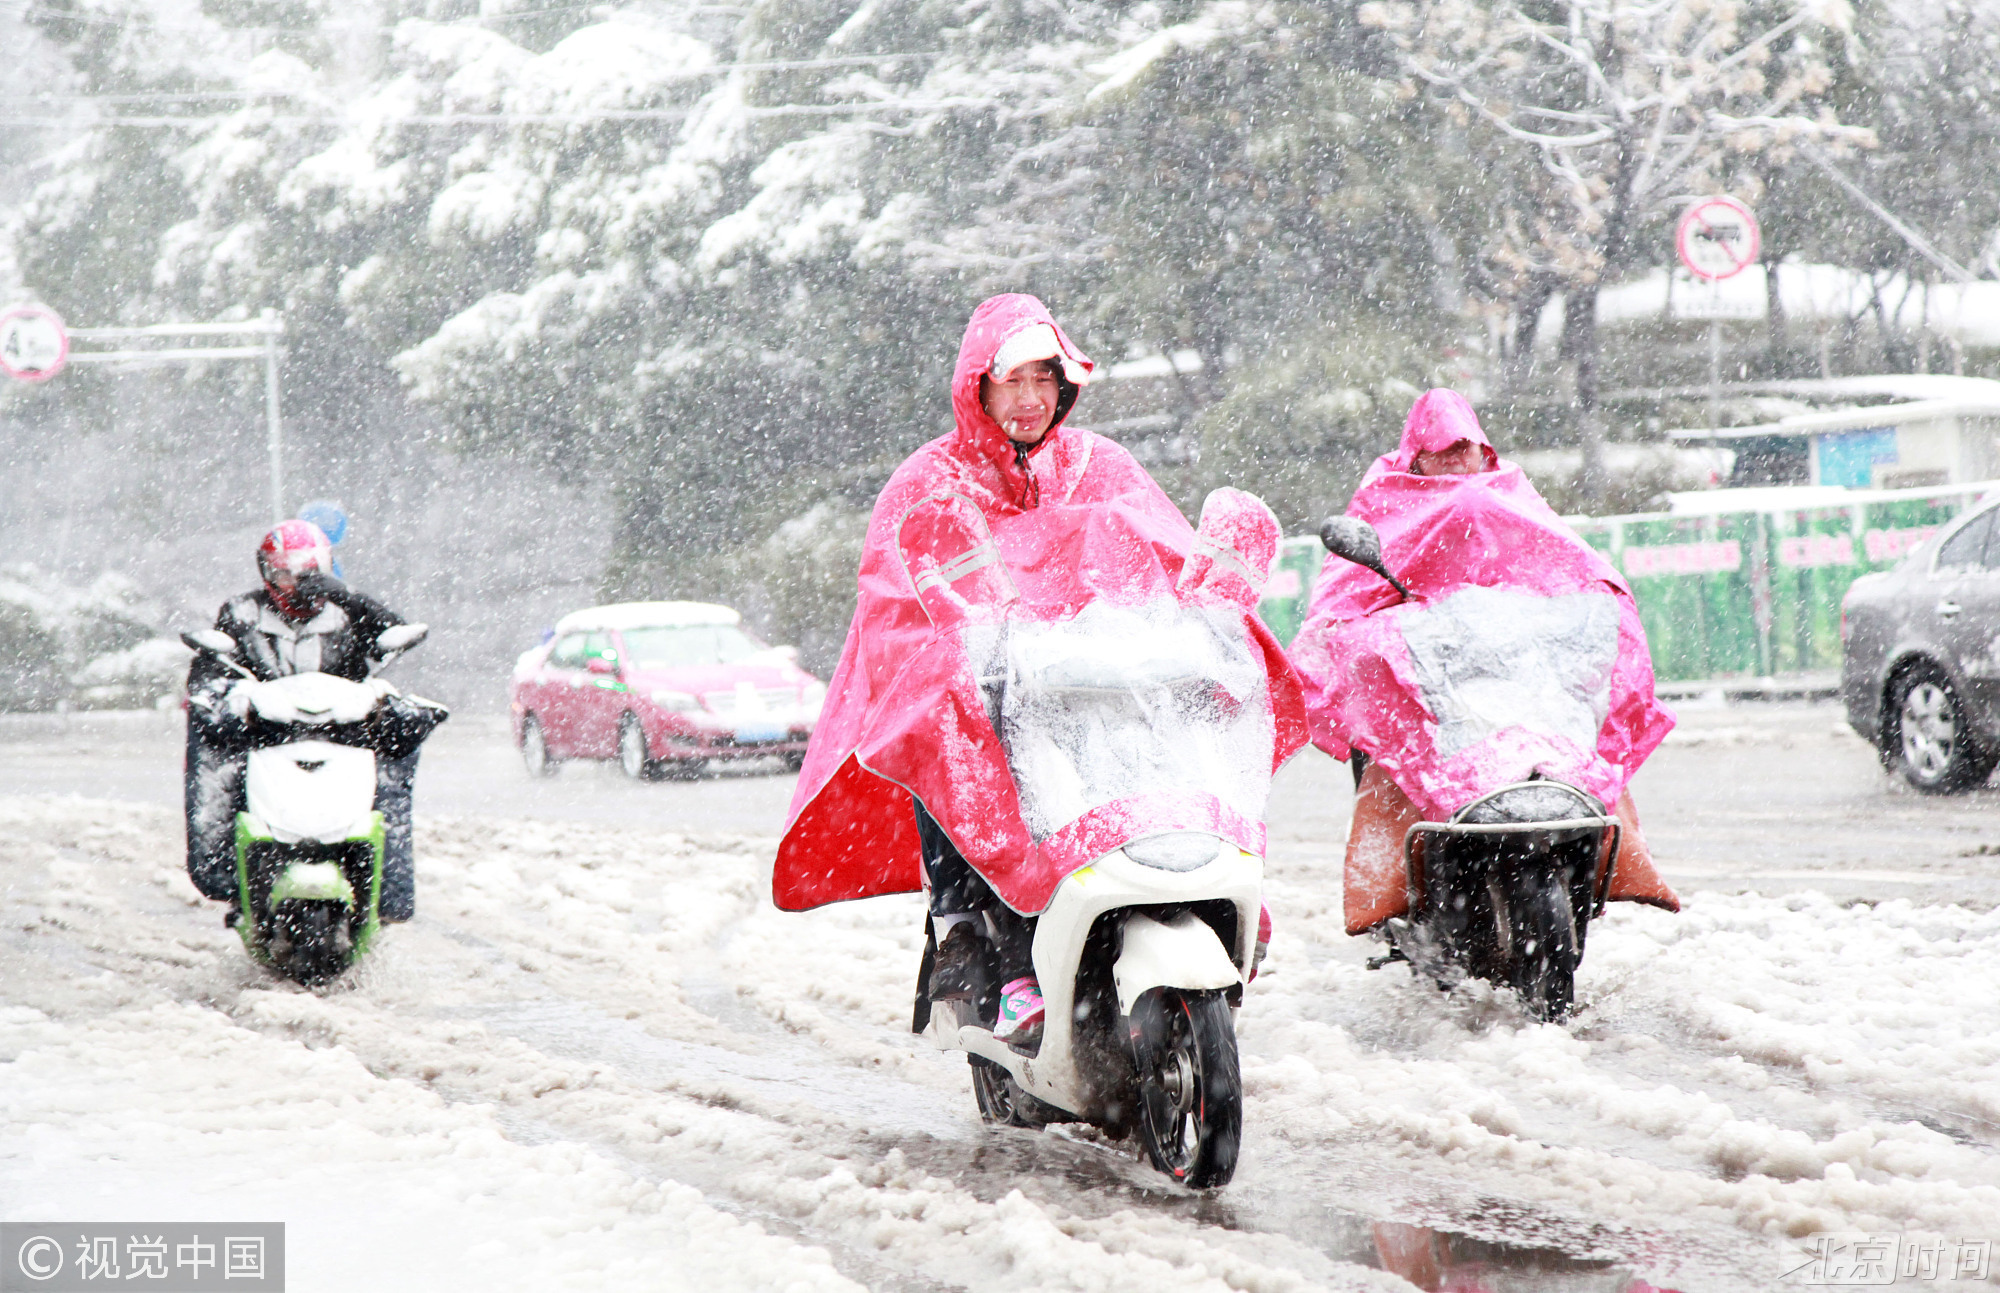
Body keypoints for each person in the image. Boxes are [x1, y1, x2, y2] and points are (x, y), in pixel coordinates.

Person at [772, 294, 1298, 1050]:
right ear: (977, 390)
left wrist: (1205, 624)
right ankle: (975, 936)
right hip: (1004, 705)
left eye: (1043, 379)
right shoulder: (926, 483)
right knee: (954, 742)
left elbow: (1168, 558)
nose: (1028, 400)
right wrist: (960, 653)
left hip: (1099, 697)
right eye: (1010, 382)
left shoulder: (1102, 465)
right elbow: (893, 612)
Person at [184, 520, 427, 921]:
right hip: (268, 738)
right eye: (286, 571)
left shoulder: (347, 612)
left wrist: (349, 599)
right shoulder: (241, 613)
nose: (299, 582)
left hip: (341, 735)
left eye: (310, 570)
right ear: (266, 572)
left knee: (393, 772)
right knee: (217, 768)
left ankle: (387, 893)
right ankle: (228, 878)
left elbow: (391, 634)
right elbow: (211, 676)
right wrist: (235, 705)